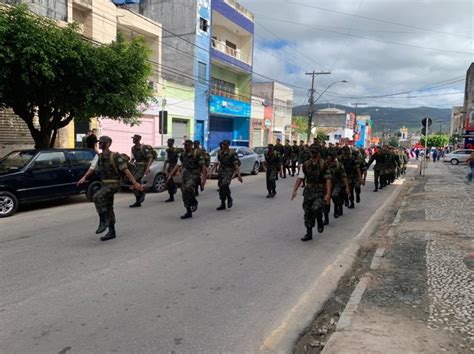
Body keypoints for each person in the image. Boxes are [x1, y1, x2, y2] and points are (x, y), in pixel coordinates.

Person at [77, 136, 143, 241]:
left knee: (97, 196)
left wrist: (134, 183)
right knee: (108, 206)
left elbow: (126, 170)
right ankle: (112, 231)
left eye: (102, 143)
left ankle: (103, 220)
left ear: (107, 144)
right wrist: (84, 177)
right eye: (99, 142)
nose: (99, 144)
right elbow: (92, 168)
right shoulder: (98, 157)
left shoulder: (115, 156)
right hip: (105, 184)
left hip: (114, 183)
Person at [291, 145, 332, 241]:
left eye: (314, 152)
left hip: (319, 192)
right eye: (311, 152)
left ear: (318, 153)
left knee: (316, 208)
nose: (312, 154)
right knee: (307, 212)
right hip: (308, 192)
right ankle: (309, 233)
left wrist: (328, 194)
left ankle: (319, 221)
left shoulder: (324, 164)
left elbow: (328, 179)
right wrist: (295, 190)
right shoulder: (305, 164)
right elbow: (300, 178)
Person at [167, 140, 207, 219]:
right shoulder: (183, 154)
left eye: (187, 145)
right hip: (186, 173)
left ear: (191, 145)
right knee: (184, 191)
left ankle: (194, 202)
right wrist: (171, 175)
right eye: (184, 145)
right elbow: (178, 165)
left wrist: (204, 179)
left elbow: (203, 166)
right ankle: (188, 211)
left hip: (195, 173)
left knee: (188, 188)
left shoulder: (197, 153)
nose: (185, 147)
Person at [213, 140, 242, 210]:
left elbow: (236, 164)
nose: (224, 145)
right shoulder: (219, 152)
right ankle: (222, 203)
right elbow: (217, 162)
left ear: (228, 145)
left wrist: (239, 175)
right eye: (223, 144)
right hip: (221, 170)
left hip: (229, 170)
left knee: (225, 184)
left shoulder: (232, 153)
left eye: (225, 144)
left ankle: (229, 198)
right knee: (221, 187)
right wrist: (211, 171)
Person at [129, 134, 154, 208]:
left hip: (142, 167)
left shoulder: (143, 148)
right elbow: (133, 158)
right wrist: (129, 164)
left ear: (139, 139)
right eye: (133, 138)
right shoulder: (133, 148)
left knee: (135, 181)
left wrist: (147, 168)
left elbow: (150, 158)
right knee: (136, 183)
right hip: (136, 167)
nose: (133, 139)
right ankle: (138, 201)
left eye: (135, 138)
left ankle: (142, 192)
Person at [326, 150, 351, 222]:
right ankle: (326, 217)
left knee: (335, 195)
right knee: (326, 201)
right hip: (326, 185)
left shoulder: (338, 165)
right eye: (328, 155)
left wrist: (347, 187)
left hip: (337, 184)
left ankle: (337, 207)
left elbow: (344, 176)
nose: (328, 157)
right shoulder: (324, 164)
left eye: (330, 156)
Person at [162, 138, 182, 203]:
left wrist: (178, 170)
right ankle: (172, 193)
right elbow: (166, 160)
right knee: (168, 180)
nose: (168, 143)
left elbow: (179, 161)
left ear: (172, 143)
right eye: (168, 142)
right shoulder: (167, 150)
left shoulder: (177, 151)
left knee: (169, 179)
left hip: (175, 166)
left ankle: (172, 192)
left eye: (169, 142)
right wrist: (164, 169)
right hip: (170, 167)